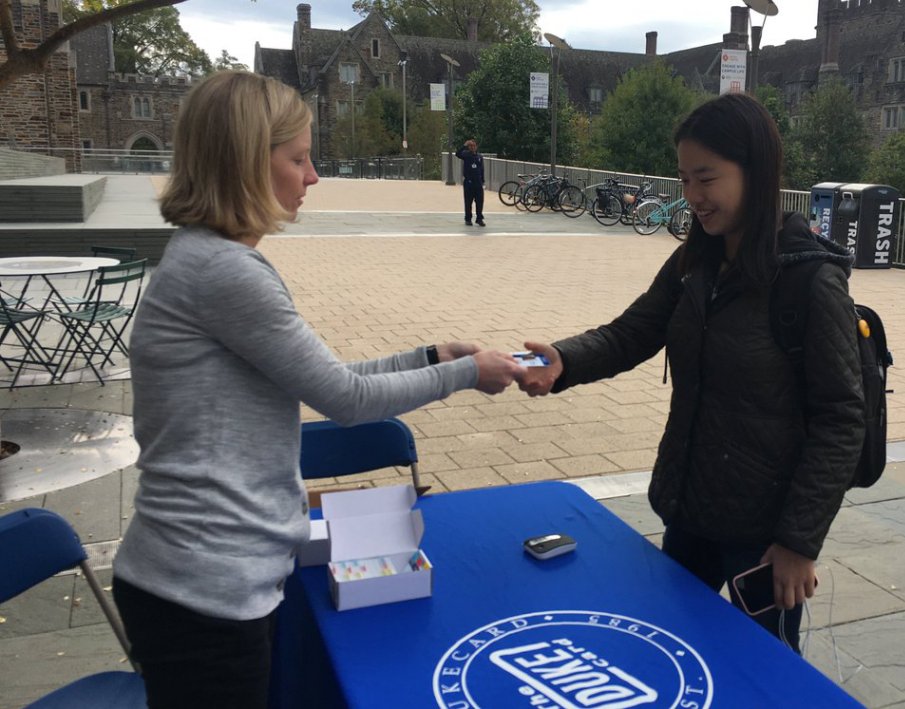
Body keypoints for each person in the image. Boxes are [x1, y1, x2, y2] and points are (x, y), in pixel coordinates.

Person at [111, 70, 526, 709]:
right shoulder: (226, 272)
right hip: (204, 587)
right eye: (299, 158)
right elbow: (347, 401)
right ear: (249, 162)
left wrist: (431, 356)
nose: (312, 177)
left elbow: (326, 380)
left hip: (204, 577)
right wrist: (468, 372)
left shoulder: (205, 259)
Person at [520, 92, 864, 654]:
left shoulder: (809, 281)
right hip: (691, 510)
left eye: (706, 178)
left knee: (762, 676)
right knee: (666, 650)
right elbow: (630, 334)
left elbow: (841, 418)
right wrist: (563, 360)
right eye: (684, 180)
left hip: (764, 536)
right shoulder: (694, 261)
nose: (693, 198)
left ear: (756, 170)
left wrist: (798, 541)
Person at [456, 138, 485, 226]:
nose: (472, 147)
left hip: (478, 182)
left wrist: (483, 180)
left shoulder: (479, 157)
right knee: (468, 202)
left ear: (476, 147)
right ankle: (468, 218)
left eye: (474, 146)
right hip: (469, 182)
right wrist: (464, 145)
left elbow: (482, 169)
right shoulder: (466, 155)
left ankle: (479, 218)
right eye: (470, 146)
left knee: (479, 202)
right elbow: (457, 154)